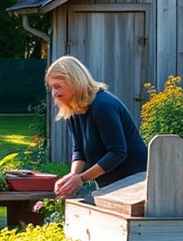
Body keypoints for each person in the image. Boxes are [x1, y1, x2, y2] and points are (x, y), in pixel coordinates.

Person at [46, 55, 148, 196]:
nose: (54, 94)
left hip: (135, 183)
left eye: (58, 87)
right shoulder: (74, 109)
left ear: (74, 82)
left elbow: (117, 153)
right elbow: (79, 150)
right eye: (51, 88)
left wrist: (81, 178)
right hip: (110, 186)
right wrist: (73, 176)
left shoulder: (103, 106)